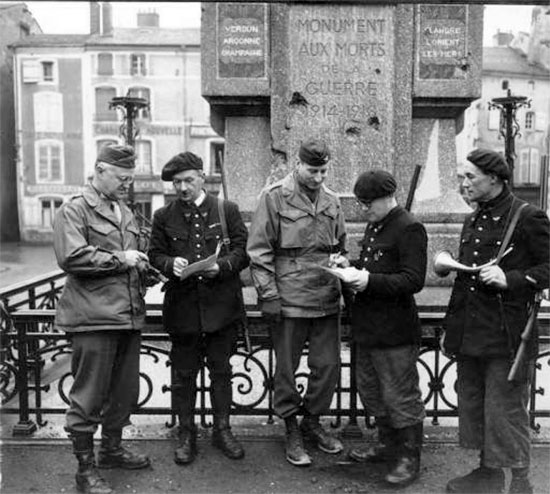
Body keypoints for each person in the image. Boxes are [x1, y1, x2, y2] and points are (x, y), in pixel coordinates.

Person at [442, 149, 550, 494]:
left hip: (507, 333)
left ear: (495, 178)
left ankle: (521, 482)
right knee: (476, 404)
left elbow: (548, 268)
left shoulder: (528, 216)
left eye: (470, 177)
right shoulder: (474, 217)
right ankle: (487, 474)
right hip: (472, 329)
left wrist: (513, 279)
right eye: (462, 177)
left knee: (505, 410)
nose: (464, 183)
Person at [53, 144, 151, 494]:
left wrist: (145, 268)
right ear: (100, 169)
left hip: (127, 316)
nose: (126, 184)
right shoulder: (74, 210)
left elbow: (128, 259)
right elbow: (72, 257)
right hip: (93, 318)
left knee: (124, 392)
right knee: (89, 396)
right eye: (122, 178)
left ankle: (111, 449)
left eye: (130, 178)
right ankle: (85, 470)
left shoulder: (123, 210)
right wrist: (120, 259)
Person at [247, 138, 346, 467]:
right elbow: (259, 251)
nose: (318, 177)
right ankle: (291, 427)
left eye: (324, 171)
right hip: (288, 297)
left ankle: (312, 421)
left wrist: (344, 266)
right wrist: (268, 295)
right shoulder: (274, 197)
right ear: (298, 165)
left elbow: (341, 245)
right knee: (287, 368)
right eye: (313, 170)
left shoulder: (332, 200)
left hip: (327, 294)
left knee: (328, 365)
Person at [148, 152, 248, 466]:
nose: (182, 188)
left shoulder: (226, 209)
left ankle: (222, 430)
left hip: (221, 308)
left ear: (202, 177)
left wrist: (222, 266)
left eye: (188, 180)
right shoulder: (164, 216)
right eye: (177, 182)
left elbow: (243, 252)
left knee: (221, 372)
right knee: (183, 375)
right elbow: (154, 254)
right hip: (183, 309)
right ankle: (186, 434)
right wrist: (169, 263)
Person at [330, 169, 427, 486]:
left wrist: (368, 280)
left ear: (387, 197)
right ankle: (387, 445)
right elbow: (374, 267)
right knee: (372, 391)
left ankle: (408, 458)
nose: (363, 209)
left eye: (367, 202)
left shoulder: (410, 228)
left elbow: (413, 280)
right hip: (369, 327)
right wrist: (351, 269)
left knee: (401, 397)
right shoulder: (376, 225)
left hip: (395, 331)